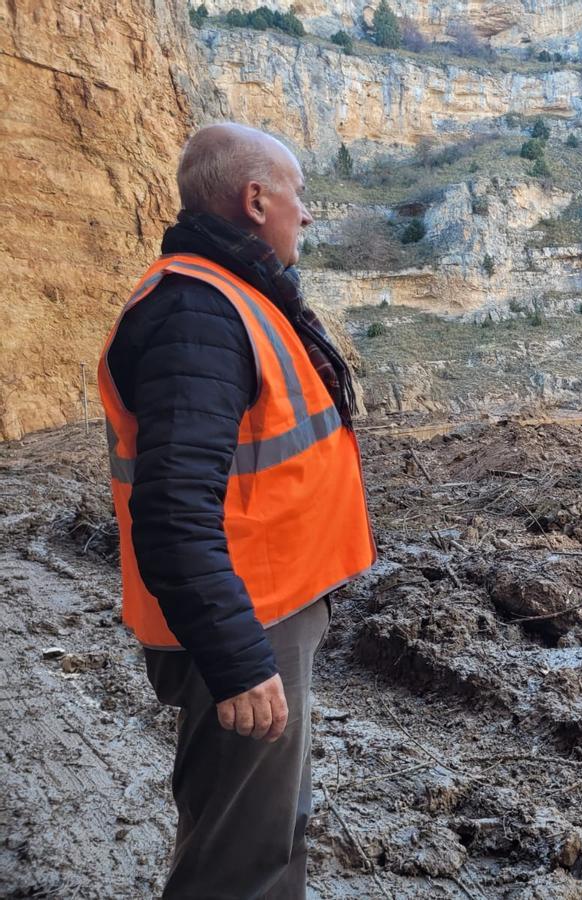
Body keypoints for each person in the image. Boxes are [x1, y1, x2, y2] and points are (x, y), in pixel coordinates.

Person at [96, 122, 375, 898]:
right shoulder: (199, 313)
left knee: (264, 833)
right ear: (256, 200)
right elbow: (174, 510)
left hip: (265, 607)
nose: (307, 214)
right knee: (238, 861)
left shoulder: (230, 297)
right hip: (245, 620)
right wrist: (240, 661)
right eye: (299, 195)